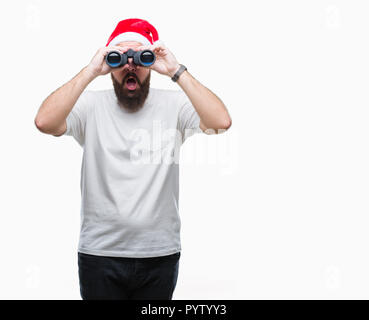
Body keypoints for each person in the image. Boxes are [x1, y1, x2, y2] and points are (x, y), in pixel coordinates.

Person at [34, 18, 232, 300]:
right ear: (109, 62)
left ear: (151, 61)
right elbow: (44, 121)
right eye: (119, 57)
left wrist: (176, 70)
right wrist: (90, 71)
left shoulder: (173, 106)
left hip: (159, 253)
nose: (130, 65)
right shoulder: (91, 106)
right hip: (99, 253)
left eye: (141, 57)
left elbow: (221, 121)